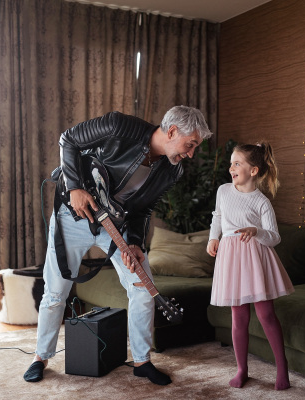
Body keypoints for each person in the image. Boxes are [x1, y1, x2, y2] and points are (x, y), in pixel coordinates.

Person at [23, 106, 213, 384]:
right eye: (191, 144)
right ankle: (41, 357)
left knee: (142, 287)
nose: (191, 153)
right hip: (72, 215)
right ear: (172, 131)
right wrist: (75, 187)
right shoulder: (119, 127)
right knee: (55, 291)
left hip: (115, 226)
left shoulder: (172, 171)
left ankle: (142, 361)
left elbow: (144, 210)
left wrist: (135, 242)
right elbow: (69, 140)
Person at [206, 141, 294, 390]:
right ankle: (242, 369)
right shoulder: (223, 191)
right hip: (231, 258)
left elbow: (274, 237)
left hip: (255, 259)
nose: (231, 167)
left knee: (266, 314)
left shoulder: (262, 202)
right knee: (239, 316)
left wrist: (256, 231)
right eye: (231, 163)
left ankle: (282, 367)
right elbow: (218, 217)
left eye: (237, 163)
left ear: (253, 170)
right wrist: (214, 238)